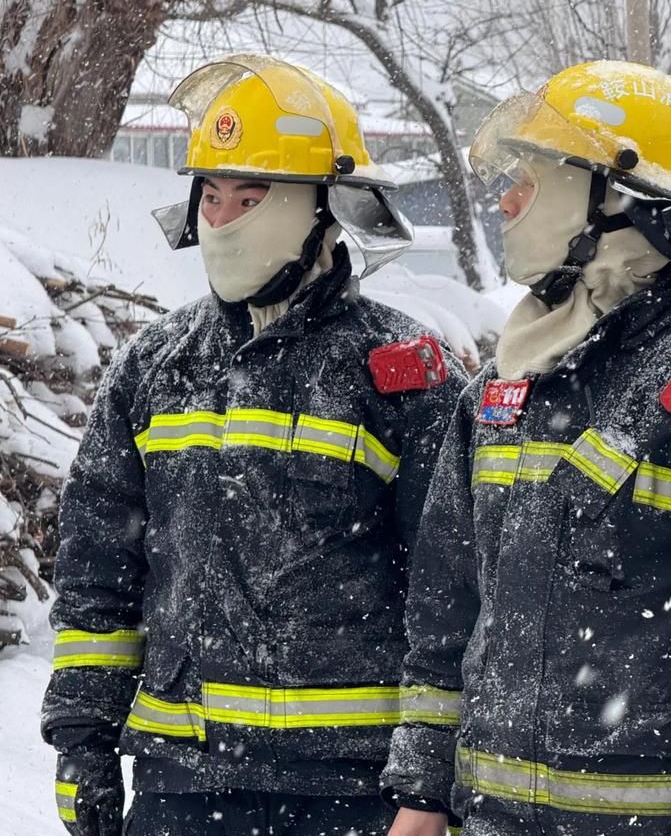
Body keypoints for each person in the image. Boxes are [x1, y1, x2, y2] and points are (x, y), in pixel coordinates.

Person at [42, 54, 466, 836]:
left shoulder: (402, 372)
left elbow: (450, 595)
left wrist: (431, 781)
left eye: (250, 196)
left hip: (351, 788)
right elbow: (98, 571)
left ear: (323, 207)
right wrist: (83, 739)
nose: (224, 217)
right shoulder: (155, 365)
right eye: (211, 195)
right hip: (181, 782)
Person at [382, 60, 671, 836]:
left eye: (530, 180)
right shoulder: (499, 394)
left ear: (615, 197)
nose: (505, 202)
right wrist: (421, 797)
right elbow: (444, 623)